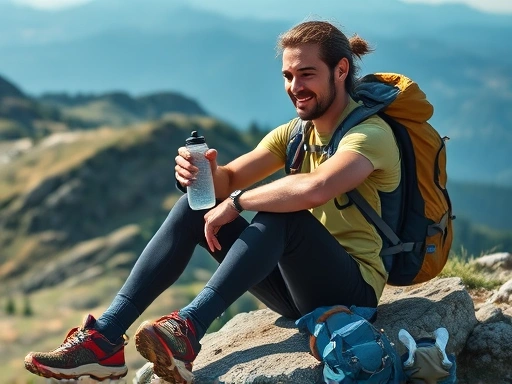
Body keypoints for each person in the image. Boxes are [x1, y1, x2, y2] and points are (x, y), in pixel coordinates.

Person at [24, 19, 400, 384]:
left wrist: (236, 203)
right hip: (295, 289)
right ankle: (104, 340)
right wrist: (201, 174)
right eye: (288, 76)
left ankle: (187, 329)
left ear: (341, 70)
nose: (294, 86)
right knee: (194, 205)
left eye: (306, 74)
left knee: (285, 216)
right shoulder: (297, 133)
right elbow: (230, 179)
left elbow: (315, 188)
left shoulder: (369, 135)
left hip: (352, 293)